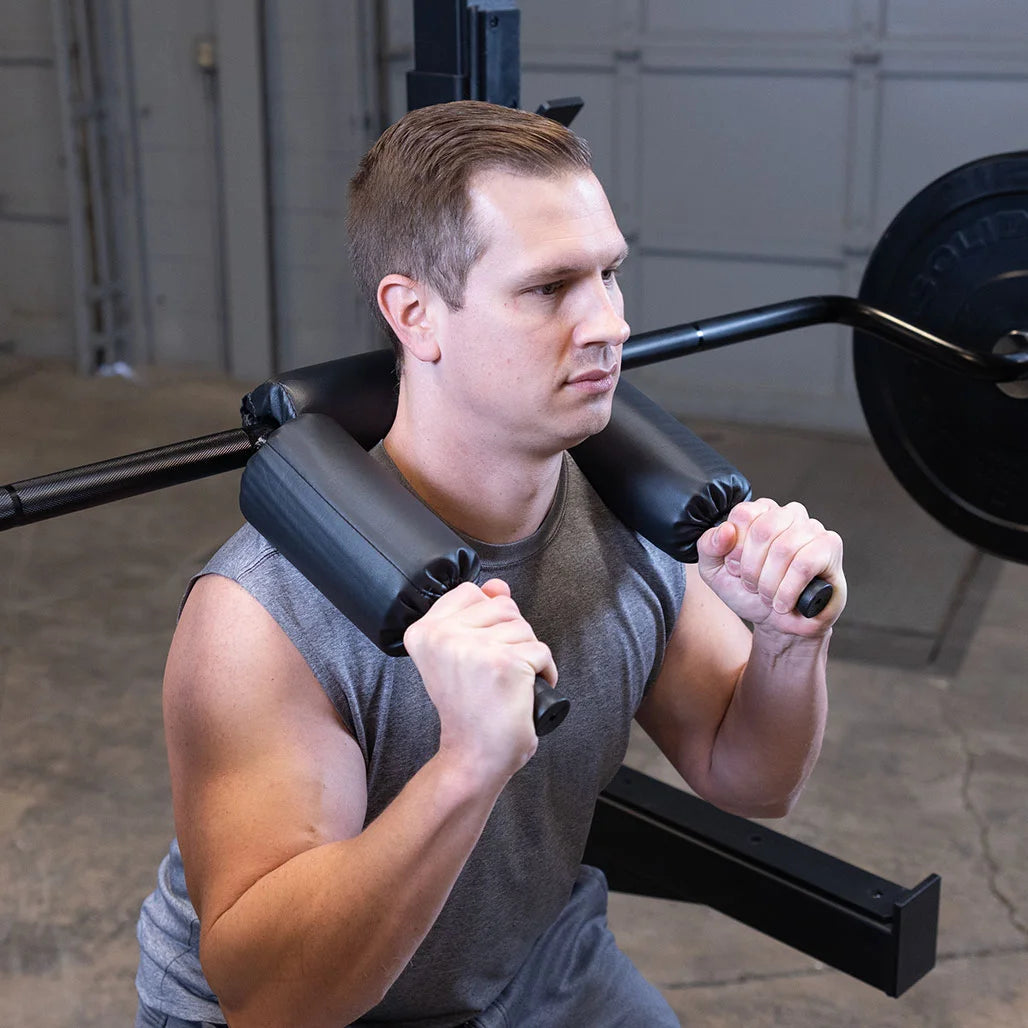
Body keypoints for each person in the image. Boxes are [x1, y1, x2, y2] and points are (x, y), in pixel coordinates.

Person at [134, 100, 846, 1028]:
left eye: (610, 275)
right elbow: (274, 1000)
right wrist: (468, 763)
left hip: (536, 968)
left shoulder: (633, 519)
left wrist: (788, 642)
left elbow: (751, 779)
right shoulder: (261, 615)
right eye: (549, 289)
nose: (609, 326)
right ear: (415, 314)